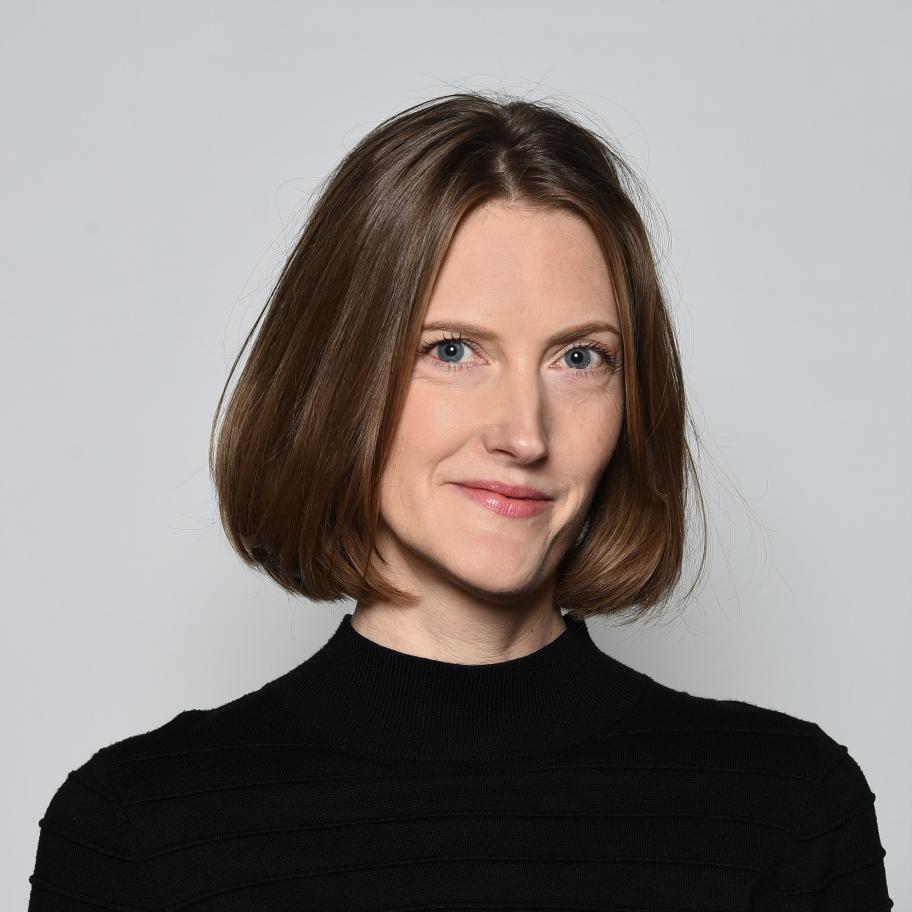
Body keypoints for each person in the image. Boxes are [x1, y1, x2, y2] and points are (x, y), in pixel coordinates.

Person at [27, 92, 893, 910]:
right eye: (451, 351)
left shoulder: (790, 809)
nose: (525, 433)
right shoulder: (137, 830)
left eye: (579, 358)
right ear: (337, 380)